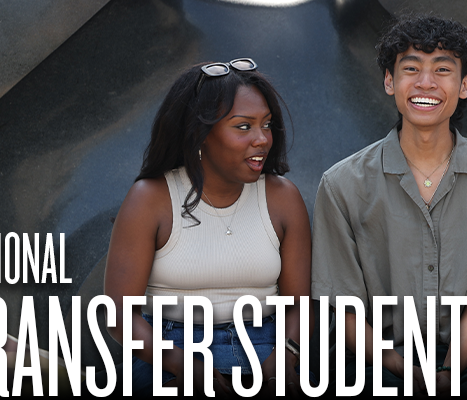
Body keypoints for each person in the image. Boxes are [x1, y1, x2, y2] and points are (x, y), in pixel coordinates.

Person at [310, 15, 467, 396]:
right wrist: (406, 371)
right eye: (411, 68)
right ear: (390, 81)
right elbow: (347, 314)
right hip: (378, 361)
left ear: (465, 85)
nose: (425, 82)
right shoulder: (341, 184)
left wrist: (447, 373)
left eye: (442, 69)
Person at [104, 58, 311, 396]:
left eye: (267, 125)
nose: (262, 139)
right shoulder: (151, 198)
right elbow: (119, 317)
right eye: (243, 126)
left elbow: (299, 307)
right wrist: (180, 363)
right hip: (167, 347)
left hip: (265, 343)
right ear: (201, 134)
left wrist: (285, 358)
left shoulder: (283, 198)